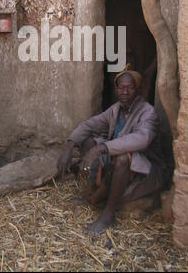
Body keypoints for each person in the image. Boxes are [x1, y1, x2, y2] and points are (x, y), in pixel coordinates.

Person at [57, 64, 166, 234]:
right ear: (116, 90)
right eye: (121, 88)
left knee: (122, 158)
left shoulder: (147, 112)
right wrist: (69, 147)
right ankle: (93, 194)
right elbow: (89, 125)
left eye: (129, 88)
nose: (124, 91)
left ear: (137, 90)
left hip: (146, 171)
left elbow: (143, 139)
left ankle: (108, 214)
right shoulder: (115, 110)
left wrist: (102, 148)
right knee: (88, 142)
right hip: (121, 168)